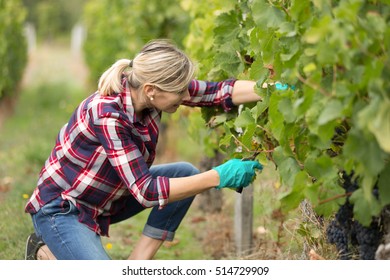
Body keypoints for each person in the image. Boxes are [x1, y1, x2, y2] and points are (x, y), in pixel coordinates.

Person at [24, 39, 263, 260]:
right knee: (192, 180)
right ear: (151, 90)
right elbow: (145, 191)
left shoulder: (150, 92)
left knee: (185, 174)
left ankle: (135, 265)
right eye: (180, 92)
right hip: (64, 209)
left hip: (105, 200)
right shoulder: (108, 115)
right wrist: (218, 177)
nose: (185, 96)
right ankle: (43, 250)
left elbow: (217, 92)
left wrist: (269, 89)